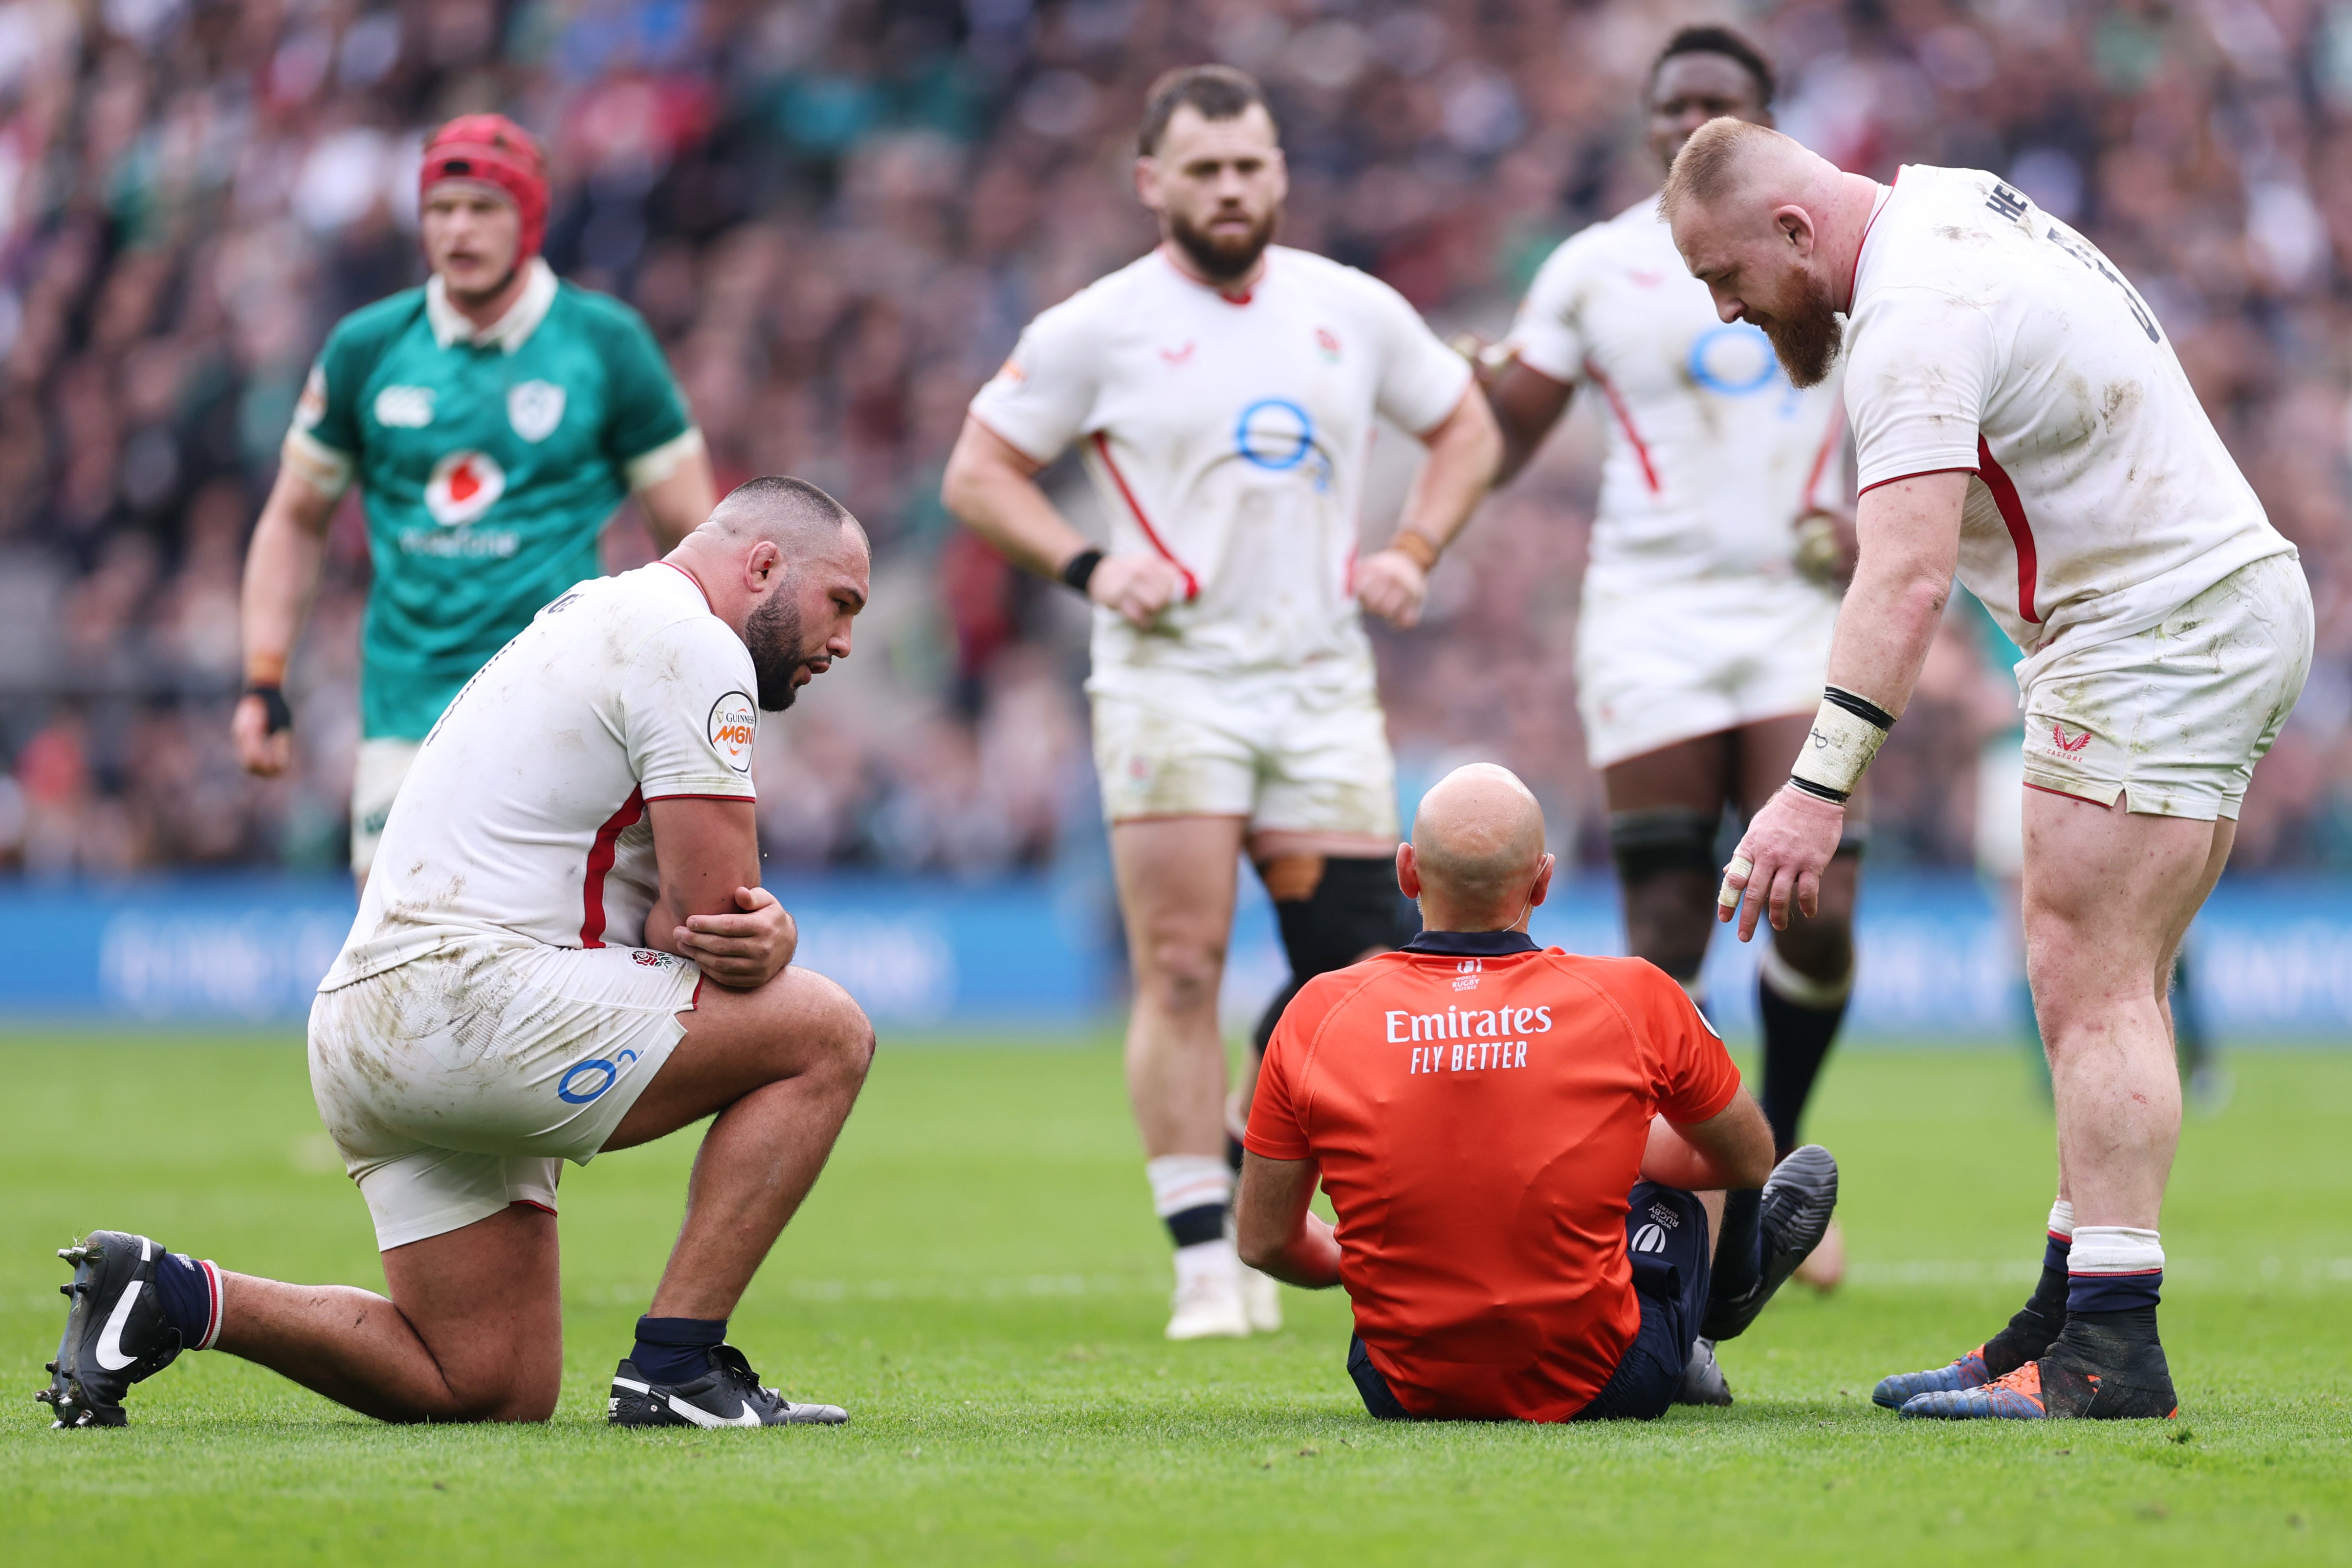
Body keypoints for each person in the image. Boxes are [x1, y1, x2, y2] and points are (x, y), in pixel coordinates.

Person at [1662, 121, 2312, 1420]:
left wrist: (1813, 790)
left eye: (1724, 276)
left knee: (2092, 990)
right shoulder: (1953, 206)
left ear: (1794, 230)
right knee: (2112, 985)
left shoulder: (1908, 315)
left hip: (2148, 632)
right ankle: (2061, 1319)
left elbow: (1903, 578)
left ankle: (2107, 1350)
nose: (1726, 311)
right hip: (2212, 605)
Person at [44, 479, 874, 1431]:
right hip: (472, 1001)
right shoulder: (699, 643)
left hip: (363, 1023)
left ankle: (170, 1294)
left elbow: (670, 920)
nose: (845, 640)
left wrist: (718, 925)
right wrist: (778, 932)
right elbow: (717, 928)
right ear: (763, 565)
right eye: (840, 602)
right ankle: (678, 1368)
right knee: (826, 1033)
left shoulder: (594, 611)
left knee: (486, 1381)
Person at [942, 66, 1501, 1340]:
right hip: (1172, 682)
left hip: (1319, 684)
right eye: (1204, 169)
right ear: (1152, 183)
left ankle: (1250, 1164)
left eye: (1250, 165)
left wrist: (1414, 549)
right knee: (1183, 963)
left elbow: (1467, 425)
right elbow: (978, 471)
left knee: (1352, 971)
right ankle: (1204, 1257)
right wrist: (1090, 566)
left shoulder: (1352, 308)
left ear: (1281, 171)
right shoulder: (1098, 327)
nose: (1231, 188)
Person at [1478, 24, 1860, 1312]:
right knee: (1662, 930)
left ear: (1766, 121)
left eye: (1717, 101)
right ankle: (1706, 1202)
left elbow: (1914, 393)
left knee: (1815, 908)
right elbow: (1501, 429)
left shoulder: (1828, 244)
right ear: (1642, 119)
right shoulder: (1592, 269)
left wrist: (1873, 519)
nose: (1686, 119)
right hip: (1648, 615)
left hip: (1796, 606)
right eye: (1669, 101)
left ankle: (1772, 1159)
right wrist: (1435, 413)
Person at [1234, 764, 1837, 1422]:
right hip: (1610, 1381)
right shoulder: (1635, 995)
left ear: (1408, 872)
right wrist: (1620, 1144)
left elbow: (1265, 1241)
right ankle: (1716, 1308)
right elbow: (1749, 1158)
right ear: (1544, 881)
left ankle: (1708, 1293)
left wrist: (1372, 1258)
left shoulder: (1317, 1011)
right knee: (1686, 1142)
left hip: (1402, 1387)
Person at [236, 113, 717, 882]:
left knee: (568, 935)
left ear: (530, 218)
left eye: (483, 208)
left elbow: (694, 536)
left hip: (566, 709)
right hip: (408, 711)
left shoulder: (607, 345)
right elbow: (295, 520)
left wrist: (697, 691)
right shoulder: (366, 348)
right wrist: (265, 677)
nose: (458, 229)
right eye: (440, 209)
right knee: (397, 941)